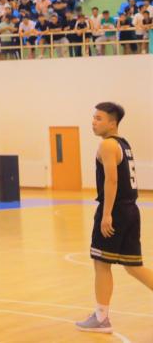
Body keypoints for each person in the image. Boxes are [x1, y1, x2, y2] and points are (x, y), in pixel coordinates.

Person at [75, 102, 153, 333]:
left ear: (112, 123)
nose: (93, 122)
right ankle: (101, 316)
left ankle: (101, 318)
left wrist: (107, 214)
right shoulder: (123, 144)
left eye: (99, 118)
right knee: (134, 267)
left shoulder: (107, 145)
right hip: (131, 210)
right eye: (93, 117)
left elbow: (112, 180)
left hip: (116, 210)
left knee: (101, 264)